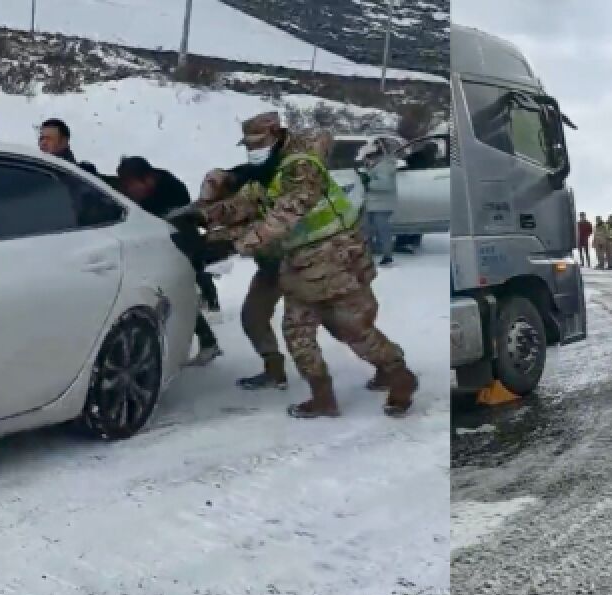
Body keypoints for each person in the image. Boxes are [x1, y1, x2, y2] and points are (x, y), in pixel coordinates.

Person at [185, 111, 418, 418]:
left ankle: (400, 376)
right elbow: (249, 203)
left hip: (335, 259)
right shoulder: (270, 172)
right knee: (297, 330)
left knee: (352, 328)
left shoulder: (301, 167)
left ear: (277, 135)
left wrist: (234, 244)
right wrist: (206, 216)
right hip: (300, 266)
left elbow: (283, 216)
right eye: (249, 145)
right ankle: (323, 396)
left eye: (258, 142)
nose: (252, 150)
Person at [194, 133, 290, 391]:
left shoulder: (259, 185)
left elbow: (254, 228)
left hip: (301, 265)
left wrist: (223, 241)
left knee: (327, 324)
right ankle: (274, 371)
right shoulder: (236, 185)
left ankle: (391, 368)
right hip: (271, 269)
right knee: (253, 317)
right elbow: (218, 215)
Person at [116, 156, 224, 367]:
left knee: (179, 295)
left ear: (147, 179)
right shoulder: (135, 191)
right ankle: (207, 339)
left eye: (132, 185)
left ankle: (208, 328)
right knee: (173, 298)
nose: (129, 190)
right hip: (158, 250)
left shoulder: (171, 188)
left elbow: (186, 223)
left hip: (182, 246)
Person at [359, 144, 398, 266]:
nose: (364, 161)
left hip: (382, 205)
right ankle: (368, 254)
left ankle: (387, 255)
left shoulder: (384, 167)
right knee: (365, 229)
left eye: (365, 157)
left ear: (371, 156)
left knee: (382, 231)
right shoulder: (374, 166)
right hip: (372, 203)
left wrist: (368, 183)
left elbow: (386, 185)